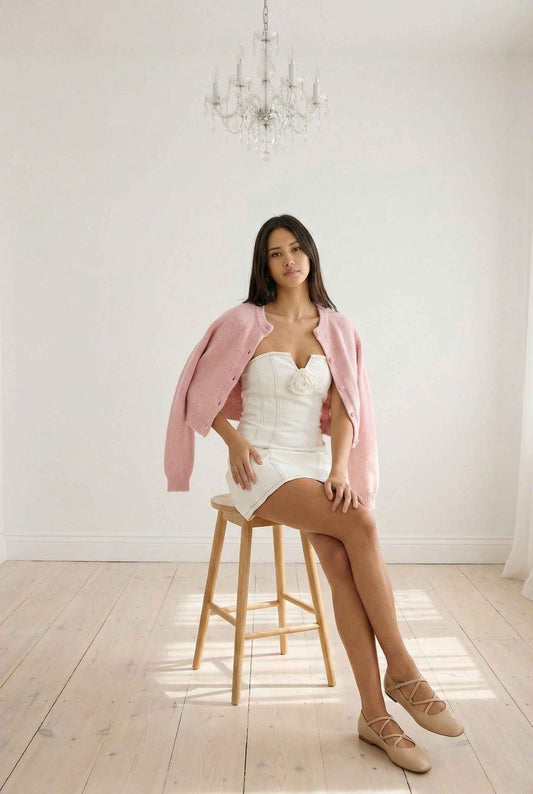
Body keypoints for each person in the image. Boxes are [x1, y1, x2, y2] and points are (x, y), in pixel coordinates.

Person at [166, 214, 464, 774]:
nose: (288, 260)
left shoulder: (339, 328)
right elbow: (198, 393)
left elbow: (349, 407)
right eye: (276, 253)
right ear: (265, 264)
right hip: (261, 464)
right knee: (363, 527)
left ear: (311, 255)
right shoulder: (243, 322)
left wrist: (340, 468)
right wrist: (231, 441)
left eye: (296, 249)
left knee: (341, 562)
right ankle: (402, 670)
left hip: (312, 461)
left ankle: (374, 715)